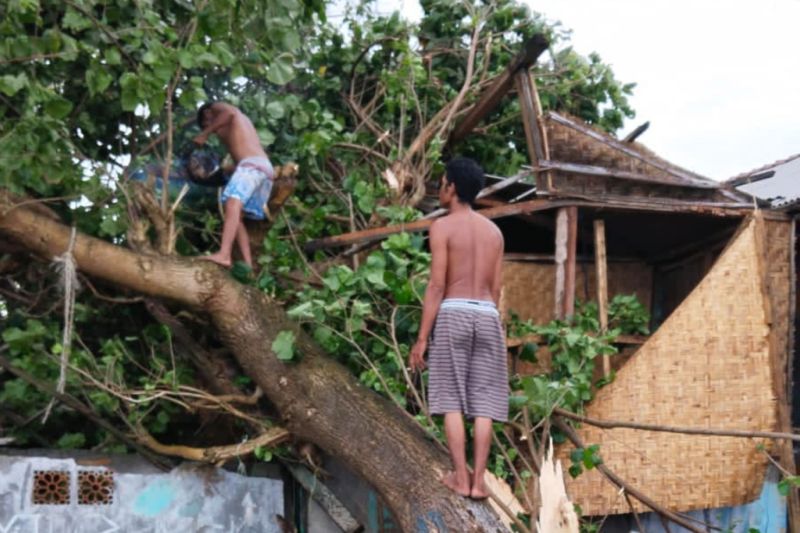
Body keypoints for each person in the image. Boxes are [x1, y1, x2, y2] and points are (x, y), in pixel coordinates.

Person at [409, 157, 507, 500]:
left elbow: (436, 286)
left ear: (452, 188)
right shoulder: (495, 233)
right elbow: (496, 289)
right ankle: (479, 483)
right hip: (488, 314)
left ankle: (460, 479)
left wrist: (422, 338)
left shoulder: (443, 227)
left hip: (454, 312)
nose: (439, 188)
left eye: (441, 183)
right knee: (484, 403)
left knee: (451, 398)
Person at [192, 101, 274, 268]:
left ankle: (224, 254)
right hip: (262, 168)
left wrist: (205, 133)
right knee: (238, 217)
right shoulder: (238, 126)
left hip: (252, 165)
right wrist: (229, 168)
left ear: (208, 113)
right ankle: (248, 264)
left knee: (232, 202)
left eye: (206, 123)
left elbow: (231, 113)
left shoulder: (221, 110)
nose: (211, 128)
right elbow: (243, 152)